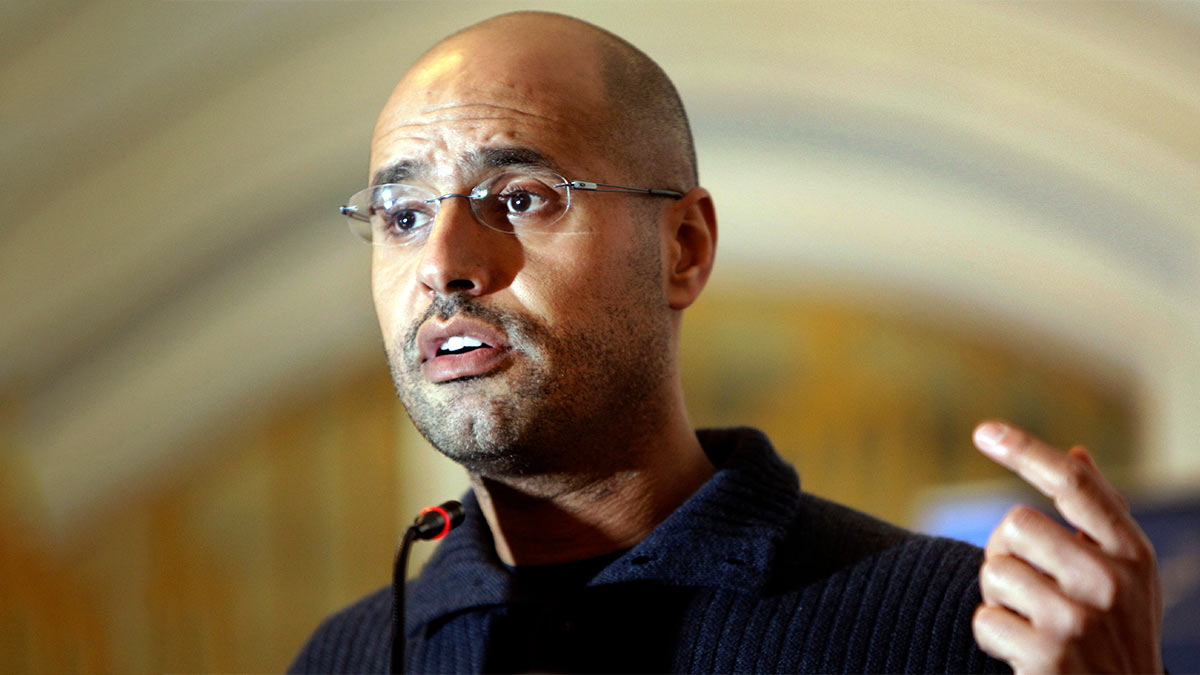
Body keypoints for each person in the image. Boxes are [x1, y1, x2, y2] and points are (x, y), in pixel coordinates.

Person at [290, 11, 1163, 674]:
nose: (443, 265)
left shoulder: (961, 627)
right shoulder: (349, 656)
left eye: (519, 198)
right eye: (402, 216)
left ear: (683, 248)